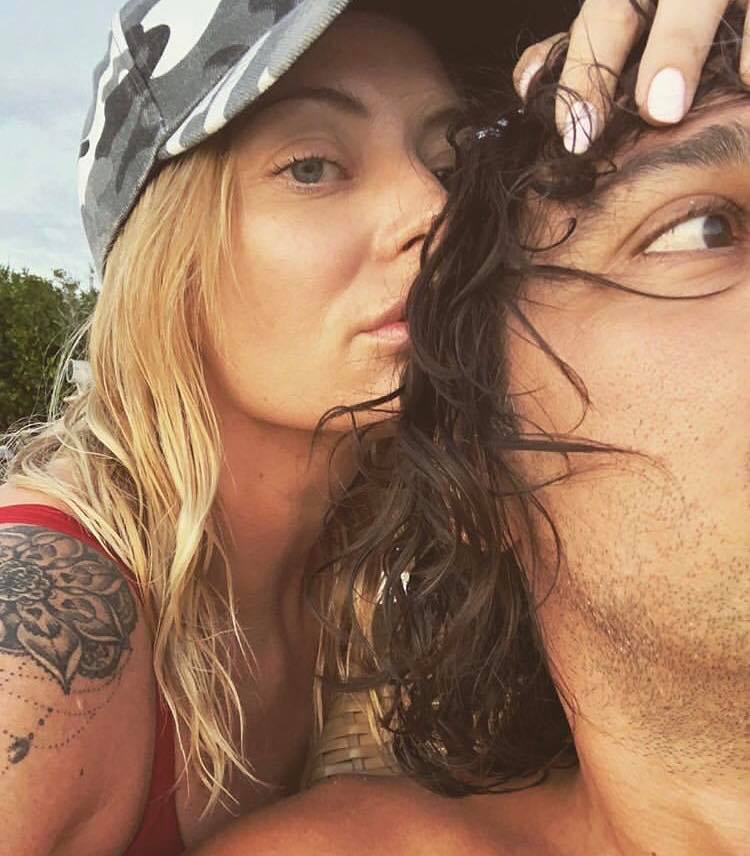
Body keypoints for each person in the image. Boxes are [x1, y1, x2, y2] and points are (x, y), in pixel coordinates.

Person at [2, 2, 748, 855]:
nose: (436, 210)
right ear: (167, 258)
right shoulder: (43, 627)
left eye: (450, 160)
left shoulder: (397, 573)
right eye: (313, 167)